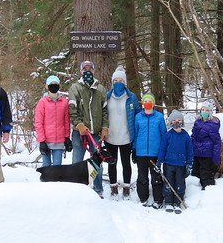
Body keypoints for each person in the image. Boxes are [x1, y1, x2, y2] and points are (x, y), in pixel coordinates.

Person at [68, 60, 109, 197]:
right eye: (84, 69)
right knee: (77, 162)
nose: (87, 71)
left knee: (96, 163)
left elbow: (105, 112)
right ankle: (76, 189)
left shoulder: (101, 89)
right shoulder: (75, 88)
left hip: (95, 134)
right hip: (79, 133)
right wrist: (79, 124)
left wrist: (104, 127)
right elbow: (72, 110)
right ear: (80, 71)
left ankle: (98, 189)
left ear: (94, 71)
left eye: (90, 69)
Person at [105, 66, 141, 199]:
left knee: (126, 163)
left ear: (125, 82)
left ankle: (126, 187)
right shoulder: (107, 97)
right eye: (115, 80)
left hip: (126, 137)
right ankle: (113, 187)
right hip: (110, 136)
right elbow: (103, 114)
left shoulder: (131, 97)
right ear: (112, 82)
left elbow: (137, 115)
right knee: (112, 163)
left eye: (121, 80)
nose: (118, 82)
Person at [132, 92, 167, 209]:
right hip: (141, 152)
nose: (147, 103)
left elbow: (164, 134)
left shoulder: (159, 117)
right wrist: (134, 150)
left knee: (156, 176)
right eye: (145, 101)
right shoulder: (137, 117)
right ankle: (143, 198)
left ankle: (158, 199)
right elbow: (136, 134)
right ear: (142, 104)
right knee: (142, 176)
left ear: (153, 104)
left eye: (149, 101)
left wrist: (163, 151)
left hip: (155, 153)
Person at [156, 110, 193, 214]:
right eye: (174, 120)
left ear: (183, 122)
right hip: (168, 164)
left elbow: (190, 151)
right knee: (168, 183)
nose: (177, 122)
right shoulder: (167, 135)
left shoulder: (186, 136)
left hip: (181, 165)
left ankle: (177, 202)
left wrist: (189, 164)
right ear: (171, 122)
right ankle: (168, 202)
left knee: (180, 184)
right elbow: (162, 149)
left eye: (179, 120)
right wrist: (159, 162)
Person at [34, 75, 71, 167]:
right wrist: (42, 140)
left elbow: (66, 121)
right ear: (47, 86)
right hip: (46, 140)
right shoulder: (42, 102)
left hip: (59, 140)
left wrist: (67, 137)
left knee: (57, 167)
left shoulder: (64, 102)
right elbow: (38, 122)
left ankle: (56, 181)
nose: (53, 86)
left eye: (56, 84)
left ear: (59, 86)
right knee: (46, 167)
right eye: (51, 84)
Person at [191, 100, 221, 190]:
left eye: (207, 110)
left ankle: (208, 190)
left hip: (206, 153)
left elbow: (216, 142)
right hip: (196, 152)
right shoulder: (197, 122)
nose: (204, 112)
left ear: (210, 112)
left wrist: (216, 158)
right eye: (203, 109)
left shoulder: (213, 125)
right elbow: (193, 136)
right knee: (195, 173)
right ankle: (196, 191)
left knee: (206, 173)